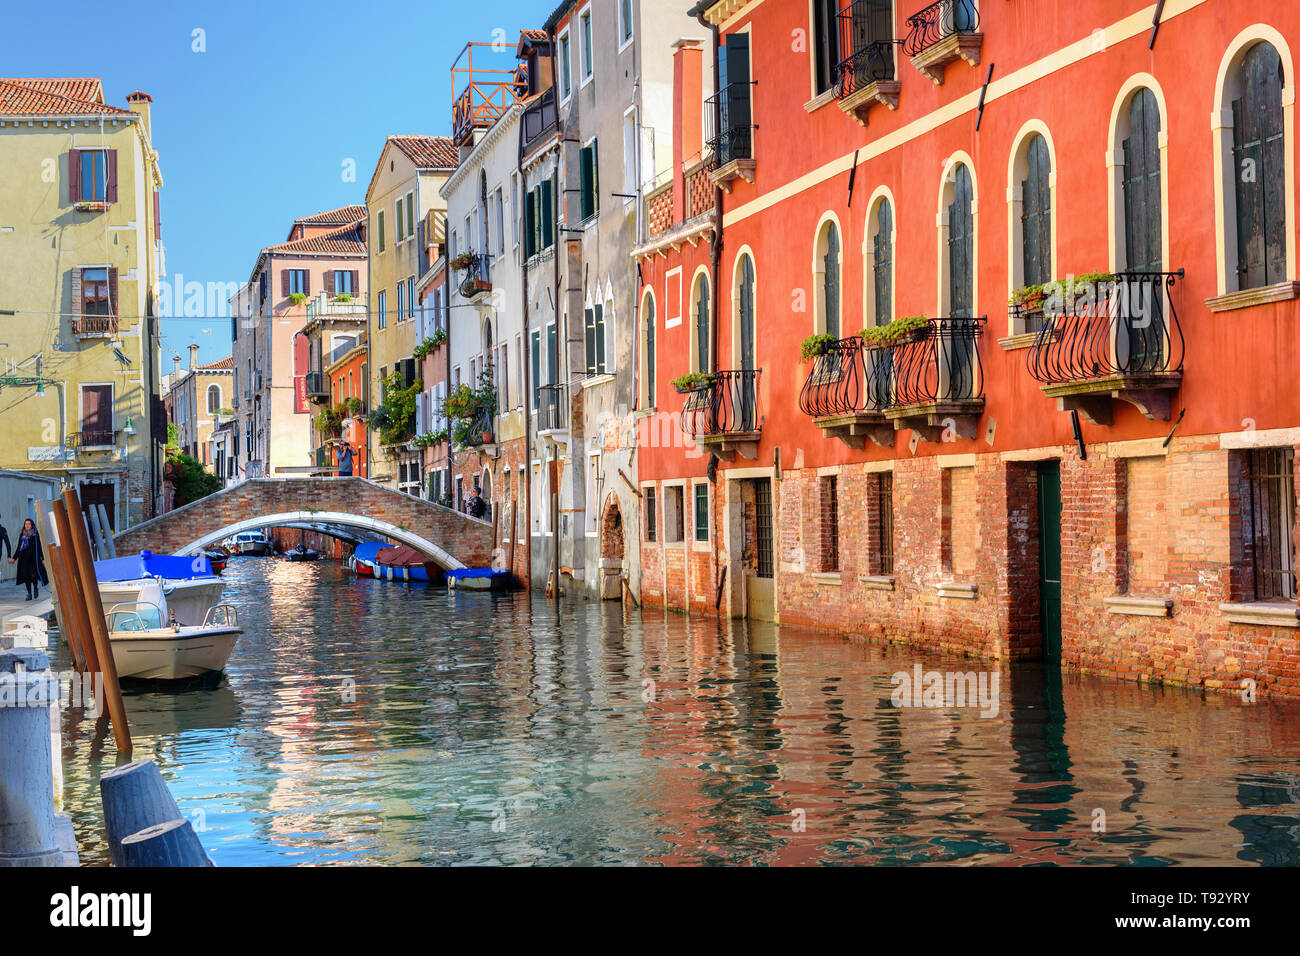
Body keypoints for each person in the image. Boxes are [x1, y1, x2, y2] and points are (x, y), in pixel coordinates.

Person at [9, 518, 48, 601]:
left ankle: (35, 588)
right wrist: (14, 558)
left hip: (34, 560)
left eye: (29, 524)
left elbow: (39, 547)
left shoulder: (35, 535)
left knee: (33, 576)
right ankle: (29, 594)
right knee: (26, 577)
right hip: (24, 560)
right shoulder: (22, 535)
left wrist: (43, 558)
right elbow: (19, 548)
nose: (27, 525)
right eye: (26, 524)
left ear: (32, 525)